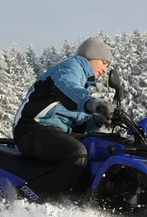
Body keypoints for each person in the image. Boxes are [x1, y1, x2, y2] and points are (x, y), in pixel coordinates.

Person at [12, 37, 115, 197]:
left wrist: (96, 121)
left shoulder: (82, 86)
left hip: (53, 131)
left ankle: (84, 201)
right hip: (31, 128)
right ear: (92, 56)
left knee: (96, 148)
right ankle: (49, 203)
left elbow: (78, 123)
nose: (105, 69)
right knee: (76, 152)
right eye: (104, 62)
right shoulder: (70, 68)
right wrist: (91, 103)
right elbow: (67, 87)